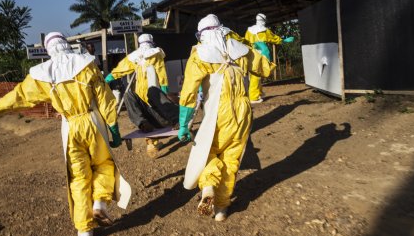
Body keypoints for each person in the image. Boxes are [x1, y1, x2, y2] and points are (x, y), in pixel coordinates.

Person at [0, 32, 131, 236]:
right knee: (103, 164)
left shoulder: (42, 75)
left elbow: (17, 97)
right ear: (66, 44)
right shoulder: (86, 64)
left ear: (48, 49)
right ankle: (100, 204)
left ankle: (85, 233)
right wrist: (115, 130)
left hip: (70, 127)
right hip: (92, 122)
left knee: (78, 177)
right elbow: (105, 99)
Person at [178, 14, 275, 222]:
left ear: (202, 34)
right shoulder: (240, 49)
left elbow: (189, 92)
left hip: (216, 112)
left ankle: (209, 186)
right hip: (243, 111)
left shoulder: (199, 54)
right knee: (231, 159)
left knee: (207, 152)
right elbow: (266, 68)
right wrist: (263, 52)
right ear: (222, 29)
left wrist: (184, 124)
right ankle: (221, 208)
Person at [105, 33, 179, 155]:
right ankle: (156, 131)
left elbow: (121, 68)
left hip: (145, 104)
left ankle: (148, 135)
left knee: (130, 95)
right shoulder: (156, 54)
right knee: (152, 93)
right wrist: (165, 92)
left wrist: (109, 77)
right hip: (158, 105)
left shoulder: (136, 57)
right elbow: (162, 74)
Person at [245, 13, 294, 103]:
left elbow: (245, 42)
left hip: (252, 54)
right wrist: (283, 40)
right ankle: (253, 97)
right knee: (257, 75)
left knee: (255, 74)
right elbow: (274, 39)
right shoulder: (265, 31)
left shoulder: (249, 30)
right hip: (262, 54)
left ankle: (258, 93)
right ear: (264, 20)